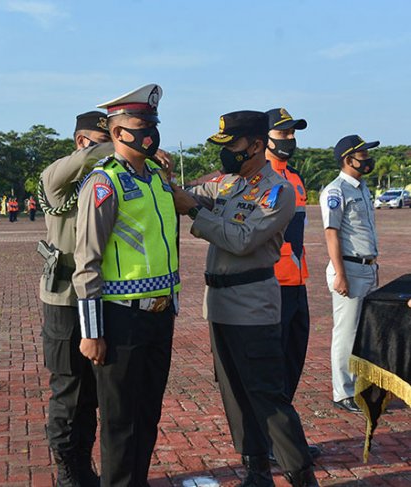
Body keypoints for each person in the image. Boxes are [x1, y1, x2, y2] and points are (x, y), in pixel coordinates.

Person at [171, 111, 318, 486]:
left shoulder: (276, 191)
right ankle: (257, 472)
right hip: (220, 305)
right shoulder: (227, 184)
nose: (225, 154)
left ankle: (301, 476)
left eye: (231, 145)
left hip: (253, 306)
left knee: (268, 397)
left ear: (255, 145)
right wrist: (164, 173)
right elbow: (188, 196)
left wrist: (193, 213)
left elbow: (241, 240)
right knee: (235, 396)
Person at [73, 84, 180, 486]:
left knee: (148, 416)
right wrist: (92, 332)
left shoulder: (156, 178)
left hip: (159, 316)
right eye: (141, 125)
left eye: (154, 123)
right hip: (121, 321)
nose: (150, 132)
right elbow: (86, 263)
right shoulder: (104, 184)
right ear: (118, 134)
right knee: (120, 423)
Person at [39, 110, 112, 485]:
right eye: (104, 140)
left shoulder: (104, 179)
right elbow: (84, 161)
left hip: (99, 297)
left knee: (97, 394)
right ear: (83, 142)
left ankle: (86, 466)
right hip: (65, 300)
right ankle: (70, 470)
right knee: (70, 390)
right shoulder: (56, 178)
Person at [265, 108, 321, 460]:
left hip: (297, 283)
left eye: (292, 134)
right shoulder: (259, 178)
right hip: (271, 286)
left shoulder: (295, 179)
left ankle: (284, 438)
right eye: (282, 134)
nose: (289, 141)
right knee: (272, 369)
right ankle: (271, 443)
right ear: (265, 137)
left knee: (292, 361)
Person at [320, 135, 380, 413]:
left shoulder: (363, 188)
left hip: (367, 267)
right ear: (348, 159)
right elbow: (332, 233)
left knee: (363, 332)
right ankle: (342, 391)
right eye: (363, 154)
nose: (368, 159)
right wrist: (340, 274)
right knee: (346, 332)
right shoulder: (336, 191)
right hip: (349, 268)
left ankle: (360, 388)